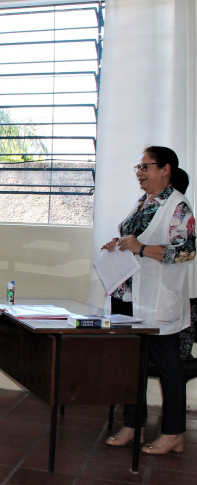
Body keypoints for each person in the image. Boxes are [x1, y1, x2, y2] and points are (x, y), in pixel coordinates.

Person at [101, 146, 194, 456]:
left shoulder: (178, 206)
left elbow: (186, 251)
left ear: (166, 169)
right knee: (131, 365)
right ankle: (133, 425)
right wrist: (119, 244)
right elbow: (133, 238)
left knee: (169, 368)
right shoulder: (144, 201)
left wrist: (140, 248)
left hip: (157, 299)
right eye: (138, 167)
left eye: (146, 166)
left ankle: (173, 433)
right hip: (128, 297)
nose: (139, 172)